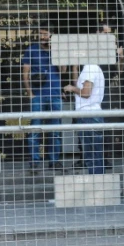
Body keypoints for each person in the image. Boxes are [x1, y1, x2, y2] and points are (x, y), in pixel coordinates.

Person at [23, 23, 65, 174]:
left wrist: (56, 52)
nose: (42, 37)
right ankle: (34, 161)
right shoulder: (31, 50)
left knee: (56, 129)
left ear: (51, 35)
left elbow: (63, 70)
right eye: (40, 34)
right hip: (38, 95)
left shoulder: (57, 49)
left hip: (55, 94)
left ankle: (54, 161)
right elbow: (25, 73)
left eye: (45, 34)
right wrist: (30, 93)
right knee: (35, 128)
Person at [64, 64, 105, 174]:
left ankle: (97, 184)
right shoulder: (91, 68)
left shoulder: (89, 68)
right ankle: (98, 182)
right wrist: (74, 68)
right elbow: (80, 86)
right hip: (91, 114)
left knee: (92, 156)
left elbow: (86, 93)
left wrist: (71, 88)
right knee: (94, 155)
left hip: (88, 115)